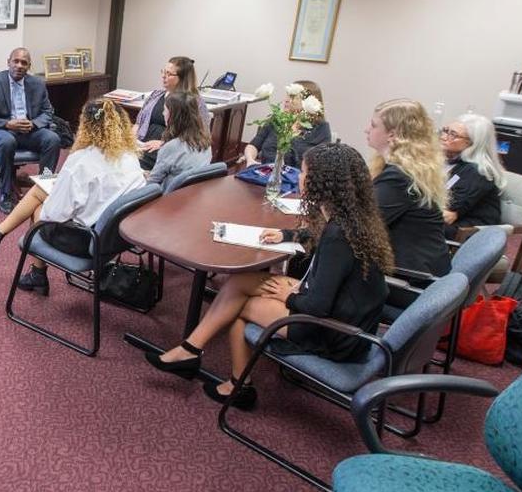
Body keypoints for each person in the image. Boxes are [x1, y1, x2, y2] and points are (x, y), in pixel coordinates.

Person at [145, 143, 393, 409]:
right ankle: (190, 349)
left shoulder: (338, 235)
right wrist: (287, 236)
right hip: (342, 307)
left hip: (336, 331)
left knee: (239, 309)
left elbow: (316, 307)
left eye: (304, 173)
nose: (299, 177)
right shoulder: (350, 218)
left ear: (320, 182)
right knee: (240, 281)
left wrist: (290, 296)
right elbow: (322, 244)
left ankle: (238, 387)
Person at [0, 98, 146, 294]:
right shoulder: (130, 156)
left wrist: (57, 191)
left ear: (86, 126)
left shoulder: (81, 161)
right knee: (40, 193)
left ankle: (20, 256)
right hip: (114, 237)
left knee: (38, 207)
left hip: (84, 241)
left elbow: (53, 215)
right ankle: (7, 246)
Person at [365, 99, 451, 280]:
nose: (367, 130)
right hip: (421, 269)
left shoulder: (399, 178)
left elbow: (360, 225)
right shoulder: (407, 171)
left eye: (373, 126)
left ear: (392, 135)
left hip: (411, 279)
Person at [0, 47, 62, 214]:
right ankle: (5, 194)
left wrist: (34, 124)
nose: (19, 65)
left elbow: (48, 111)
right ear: (8, 62)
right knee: (7, 141)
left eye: (24, 63)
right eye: (16, 61)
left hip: (30, 131)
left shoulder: (37, 84)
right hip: (2, 131)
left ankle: (44, 188)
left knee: (53, 139)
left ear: (29, 66)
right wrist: (8, 124)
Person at [133, 56, 211, 171]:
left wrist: (163, 143)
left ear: (182, 78)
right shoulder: (156, 95)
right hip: (143, 145)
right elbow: (138, 123)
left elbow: (199, 137)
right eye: (163, 72)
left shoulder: (194, 102)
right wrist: (131, 140)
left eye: (169, 74)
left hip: (167, 150)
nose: (163, 76)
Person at [439, 113, 506, 239]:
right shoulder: (449, 161)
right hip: (450, 223)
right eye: (446, 131)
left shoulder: (478, 172)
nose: (444, 137)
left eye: (453, 134)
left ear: (472, 143)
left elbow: (448, 215)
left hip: (469, 232)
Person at [243, 80, 332, 168]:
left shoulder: (321, 128)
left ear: (309, 101)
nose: (286, 100)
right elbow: (254, 145)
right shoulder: (276, 119)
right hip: (265, 174)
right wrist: (250, 160)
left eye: (293, 97)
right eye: (287, 96)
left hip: (297, 179)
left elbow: (320, 165)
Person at [147, 91, 213, 194]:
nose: (163, 113)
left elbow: (151, 184)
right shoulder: (206, 141)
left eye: (165, 110)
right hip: (193, 195)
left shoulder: (171, 147)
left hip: (168, 199)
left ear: (173, 115)